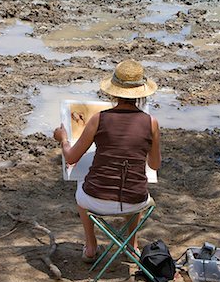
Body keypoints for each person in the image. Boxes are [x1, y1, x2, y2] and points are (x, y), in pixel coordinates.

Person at [53, 59, 161, 262]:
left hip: (95, 200)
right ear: (141, 93)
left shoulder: (98, 119)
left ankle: (91, 247)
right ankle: (131, 245)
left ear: (113, 92)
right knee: (136, 184)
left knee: (80, 186)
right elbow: (154, 165)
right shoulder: (151, 123)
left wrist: (63, 138)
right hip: (135, 203)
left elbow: (71, 157)